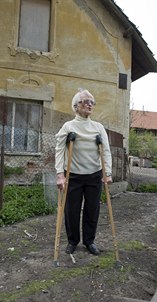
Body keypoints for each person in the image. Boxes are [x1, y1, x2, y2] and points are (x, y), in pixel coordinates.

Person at [55, 88, 112, 256]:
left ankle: (89, 241)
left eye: (92, 102)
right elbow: (59, 150)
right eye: (86, 101)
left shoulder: (98, 127)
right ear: (76, 106)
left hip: (94, 174)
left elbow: (106, 151)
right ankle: (73, 241)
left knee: (92, 209)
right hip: (73, 175)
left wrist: (107, 173)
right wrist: (60, 175)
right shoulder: (68, 126)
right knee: (71, 210)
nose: (90, 104)